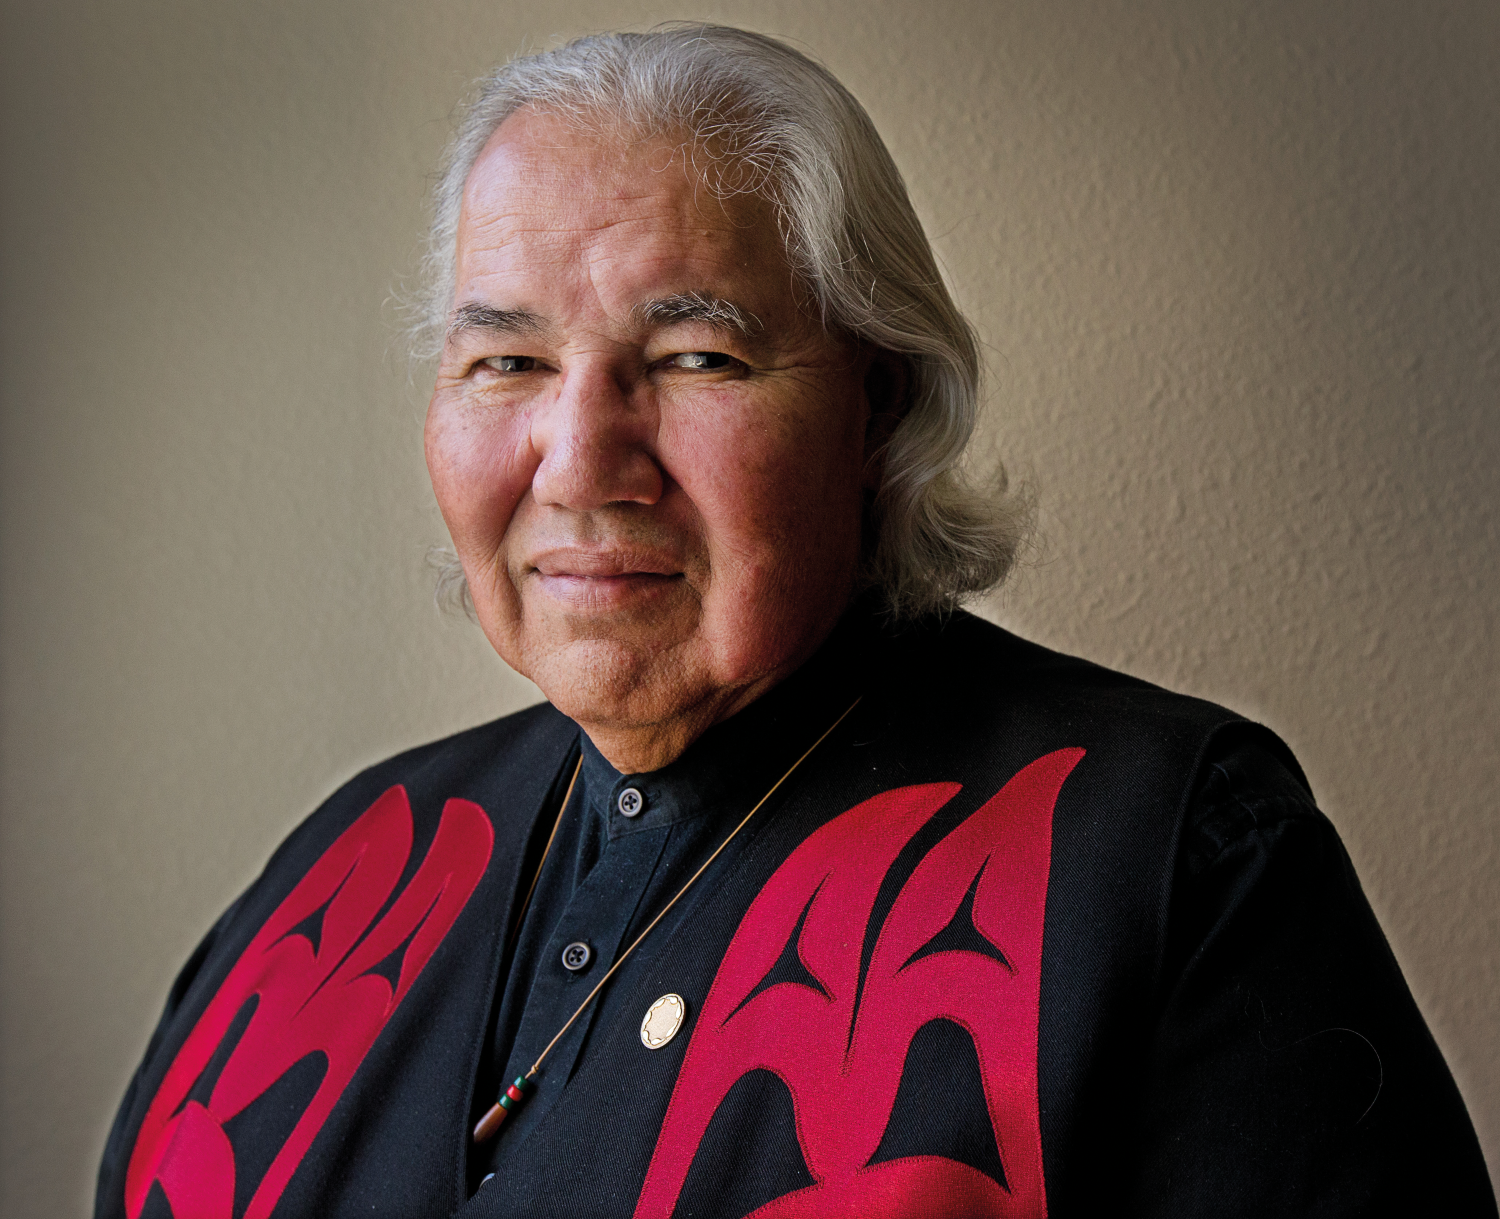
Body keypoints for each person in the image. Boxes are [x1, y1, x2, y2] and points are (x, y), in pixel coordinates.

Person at [96, 25, 1494, 1219]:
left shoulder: (1174, 857)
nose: (580, 458)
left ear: (876, 408)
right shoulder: (329, 882)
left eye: (697, 355)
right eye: (505, 359)